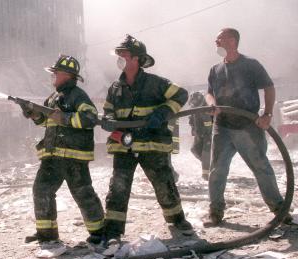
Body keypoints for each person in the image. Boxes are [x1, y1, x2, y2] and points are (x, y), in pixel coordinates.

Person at [102, 34, 193, 245]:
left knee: (164, 184)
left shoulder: (156, 83)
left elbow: (181, 94)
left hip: (153, 145)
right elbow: (108, 110)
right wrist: (108, 120)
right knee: (118, 188)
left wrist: (163, 111)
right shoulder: (115, 88)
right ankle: (113, 230)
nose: (120, 58)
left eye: (123, 55)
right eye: (119, 55)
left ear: (136, 59)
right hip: (124, 145)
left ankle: (177, 221)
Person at [205, 28, 293, 225]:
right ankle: (215, 211)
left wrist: (268, 114)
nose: (216, 41)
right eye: (216, 38)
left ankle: (279, 208)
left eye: (220, 38)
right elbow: (209, 92)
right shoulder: (215, 69)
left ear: (233, 41)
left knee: (261, 167)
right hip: (222, 127)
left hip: (248, 126)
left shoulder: (250, 65)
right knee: (217, 170)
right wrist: (211, 103)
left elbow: (269, 87)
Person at [21, 55, 105, 244]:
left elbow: (90, 118)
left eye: (56, 74)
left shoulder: (78, 96)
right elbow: (45, 121)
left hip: (73, 157)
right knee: (41, 190)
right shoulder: (53, 98)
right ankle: (46, 234)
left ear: (67, 75)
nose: (53, 77)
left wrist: (65, 118)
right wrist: (34, 114)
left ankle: (99, 233)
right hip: (52, 156)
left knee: (83, 194)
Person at [188, 91, 212, 180]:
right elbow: (191, 120)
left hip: (208, 134)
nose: (193, 104)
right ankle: (212, 163)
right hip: (199, 133)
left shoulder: (206, 107)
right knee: (194, 150)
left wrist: (208, 135)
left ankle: (206, 174)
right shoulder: (194, 108)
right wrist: (194, 130)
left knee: (206, 153)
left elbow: (209, 123)